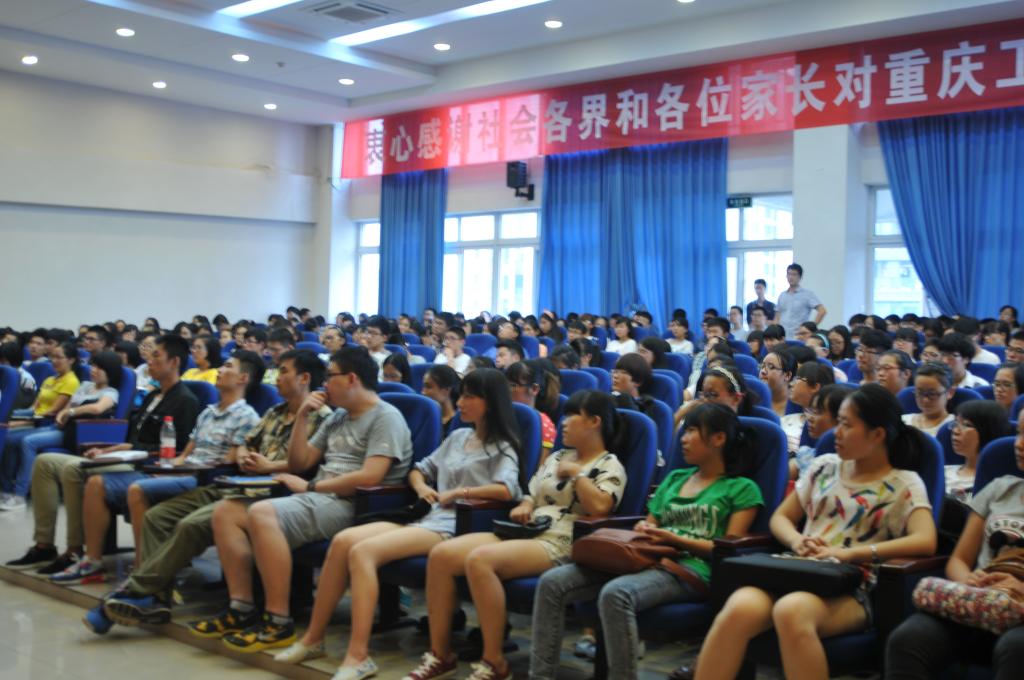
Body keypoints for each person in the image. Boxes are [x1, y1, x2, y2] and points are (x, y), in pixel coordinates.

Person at [276, 369, 524, 679]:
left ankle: (358, 656)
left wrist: (461, 492)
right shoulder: (458, 437)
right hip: (427, 515)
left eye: (470, 397)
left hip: (458, 525)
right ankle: (313, 639)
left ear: (491, 402)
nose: (461, 402)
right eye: (461, 395)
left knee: (363, 552)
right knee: (343, 541)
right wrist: (421, 488)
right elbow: (419, 470)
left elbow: (507, 489)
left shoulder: (503, 446)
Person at [692, 384, 937, 680]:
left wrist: (850, 554)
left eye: (846, 425)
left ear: (877, 434)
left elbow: (925, 540)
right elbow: (781, 518)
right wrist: (797, 540)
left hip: (854, 586)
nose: (837, 432)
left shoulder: (904, 483)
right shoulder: (824, 466)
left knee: (792, 610)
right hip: (799, 570)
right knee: (739, 607)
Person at [86, 350, 333, 633]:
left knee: (191, 525)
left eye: (284, 371)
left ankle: (133, 590)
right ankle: (156, 598)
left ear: (304, 378)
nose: (276, 377)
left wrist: (269, 466)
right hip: (237, 484)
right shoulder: (274, 412)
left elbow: (306, 465)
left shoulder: (322, 417)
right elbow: (247, 442)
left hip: (274, 494)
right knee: (157, 516)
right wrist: (244, 454)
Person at [189, 346, 413, 652]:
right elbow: (299, 462)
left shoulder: (386, 417)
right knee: (227, 512)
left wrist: (311, 487)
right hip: (320, 497)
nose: (324, 384)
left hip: (356, 506)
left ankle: (278, 620)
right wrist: (303, 416)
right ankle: (241, 607)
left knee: (262, 513)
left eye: (330, 376)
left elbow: (371, 477)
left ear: (351, 379)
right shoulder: (337, 417)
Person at [402, 390, 627, 680]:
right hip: (527, 529)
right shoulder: (557, 457)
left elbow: (600, 507)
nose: (564, 423)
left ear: (594, 422)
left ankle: (495, 662)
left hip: (562, 538)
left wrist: (578, 474)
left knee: (480, 560)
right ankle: (440, 656)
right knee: (442, 555)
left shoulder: (609, 464)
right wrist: (524, 505)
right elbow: (531, 493)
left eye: (573, 416)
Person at [530, 403, 763, 680]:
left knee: (617, 594)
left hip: (690, 570)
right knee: (553, 582)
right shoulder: (675, 479)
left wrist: (674, 538)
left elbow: (726, 550)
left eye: (691, 431)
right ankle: (540, 676)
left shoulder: (741, 488)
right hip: (646, 558)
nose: (683, 438)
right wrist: (645, 527)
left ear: (718, 438)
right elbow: (650, 524)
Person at [61, 351, 261, 585]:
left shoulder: (247, 416)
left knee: (138, 489)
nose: (220, 370)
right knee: (103, 482)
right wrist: (168, 467)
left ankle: (142, 570)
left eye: (228, 366)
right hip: (186, 472)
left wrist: (180, 468)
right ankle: (104, 562)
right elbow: (185, 453)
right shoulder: (208, 412)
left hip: (207, 479)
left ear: (243, 378)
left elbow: (227, 462)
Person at [6, 335, 199, 572]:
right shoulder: (152, 395)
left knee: (72, 469)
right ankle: (44, 544)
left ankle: (74, 549)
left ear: (174, 362)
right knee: (45, 462)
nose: (149, 360)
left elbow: (177, 450)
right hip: (125, 456)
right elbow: (131, 439)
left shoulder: (185, 400)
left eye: (156, 355)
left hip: (144, 466)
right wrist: (109, 449)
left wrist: (126, 450)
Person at [885, 417, 1024, 679]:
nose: (1018, 444)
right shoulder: (1000, 489)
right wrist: (971, 579)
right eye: (1019, 433)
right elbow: (958, 560)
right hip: (980, 601)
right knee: (909, 638)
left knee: (1016, 648)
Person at [0, 351, 120, 512]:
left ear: (110, 371)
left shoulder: (111, 392)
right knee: (11, 438)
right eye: (93, 366)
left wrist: (70, 412)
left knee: (28, 442)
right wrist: (64, 412)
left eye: (100, 368)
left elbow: (97, 408)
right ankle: (6, 489)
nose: (94, 370)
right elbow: (67, 407)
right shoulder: (85, 385)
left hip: (76, 432)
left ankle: (20, 494)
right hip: (60, 426)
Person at [944, 401, 1012, 502]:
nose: (955, 431)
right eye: (955, 423)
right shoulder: (942, 471)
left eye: (966, 425)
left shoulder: (997, 485)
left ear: (988, 431)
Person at [505, 360, 558, 456]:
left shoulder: (544, 424)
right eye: (505, 385)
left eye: (513, 385)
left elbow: (542, 464)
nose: (507, 390)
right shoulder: (502, 414)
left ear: (534, 389)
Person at [780, 361, 834, 454]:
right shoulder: (792, 415)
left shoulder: (825, 424)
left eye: (797, 379)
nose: (791, 383)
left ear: (815, 387)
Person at [902, 362, 956, 436]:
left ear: (950, 392)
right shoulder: (904, 421)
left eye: (932, 394)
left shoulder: (954, 426)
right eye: (920, 393)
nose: (925, 400)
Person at [775, 263, 827, 339]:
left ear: (800, 277)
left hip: (799, 337)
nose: (791, 277)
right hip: (782, 337)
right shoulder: (782, 295)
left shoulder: (807, 294)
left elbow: (822, 311)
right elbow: (777, 317)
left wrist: (811, 328)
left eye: (794, 274)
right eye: (789, 274)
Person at [684, 317, 730, 401]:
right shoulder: (701, 356)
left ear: (726, 334)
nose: (711, 335)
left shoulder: (730, 357)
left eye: (715, 332)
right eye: (709, 332)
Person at [422, 365, 461, 435]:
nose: (423, 392)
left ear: (446, 390)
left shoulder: (458, 425)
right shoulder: (425, 419)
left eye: (428, 386)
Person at [0, 341, 37, 411]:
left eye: (2, 361)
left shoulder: (26, 378)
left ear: (12, 360)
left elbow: (28, 403)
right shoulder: (3, 373)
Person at [759, 349, 796, 417]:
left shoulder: (797, 408)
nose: (763, 371)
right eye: (762, 366)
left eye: (771, 367)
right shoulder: (753, 400)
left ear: (787, 375)